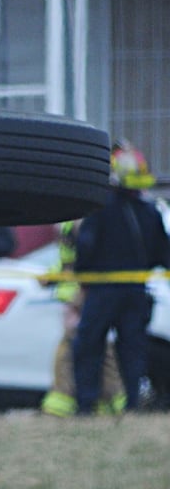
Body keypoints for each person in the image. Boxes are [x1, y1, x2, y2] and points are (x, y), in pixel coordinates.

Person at [69, 143, 170, 414]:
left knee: (90, 346)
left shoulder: (100, 208)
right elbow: (163, 253)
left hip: (103, 290)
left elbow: (86, 247)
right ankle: (133, 403)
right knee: (132, 350)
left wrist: (82, 276)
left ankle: (86, 405)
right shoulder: (150, 212)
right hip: (136, 290)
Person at [42, 218, 128, 417]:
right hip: (80, 294)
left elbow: (87, 259)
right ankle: (109, 401)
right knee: (93, 350)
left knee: (75, 351)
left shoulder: (85, 220)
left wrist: (82, 294)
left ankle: (64, 402)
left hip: (81, 296)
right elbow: (69, 261)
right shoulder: (74, 219)